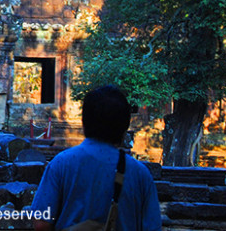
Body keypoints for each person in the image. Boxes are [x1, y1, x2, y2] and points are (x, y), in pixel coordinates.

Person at [31, 85, 162, 230]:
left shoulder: (61, 164)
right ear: (125, 126)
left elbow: (41, 223)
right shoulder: (140, 175)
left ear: (84, 121)